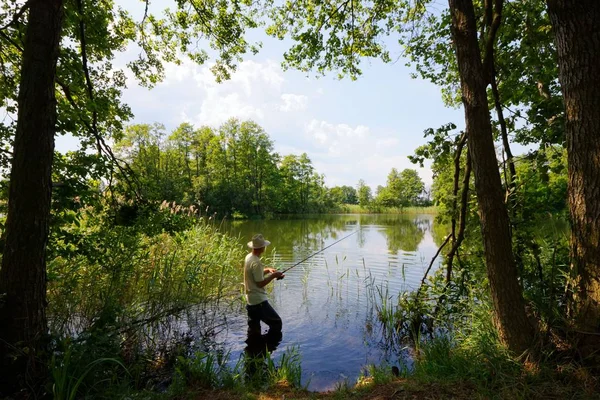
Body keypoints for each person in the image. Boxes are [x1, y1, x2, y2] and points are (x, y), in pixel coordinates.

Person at [244, 234, 285, 339]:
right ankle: (268, 347)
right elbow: (260, 283)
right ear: (262, 248)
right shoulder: (256, 262)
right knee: (276, 323)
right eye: (264, 246)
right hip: (259, 302)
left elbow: (255, 274)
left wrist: (267, 270)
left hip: (250, 301)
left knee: (254, 329)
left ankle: (253, 350)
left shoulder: (249, 257)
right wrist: (273, 275)